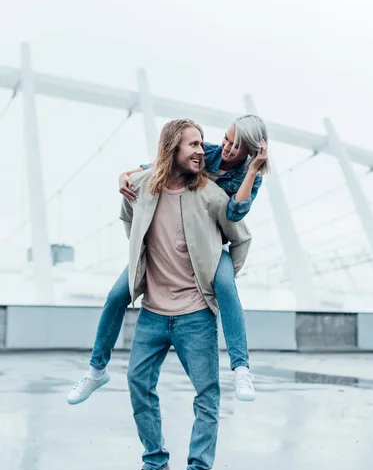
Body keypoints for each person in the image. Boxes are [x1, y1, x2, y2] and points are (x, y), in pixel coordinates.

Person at [67, 114, 268, 406]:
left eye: (235, 146)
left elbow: (235, 214)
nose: (225, 147)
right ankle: (96, 370)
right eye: (226, 138)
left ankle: (241, 368)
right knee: (115, 296)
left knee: (226, 287)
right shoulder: (207, 151)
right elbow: (162, 164)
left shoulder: (251, 177)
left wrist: (251, 171)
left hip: (211, 247)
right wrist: (126, 173)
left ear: (249, 150)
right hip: (173, 241)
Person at [118, 119, 252, 470]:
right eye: (193, 144)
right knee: (137, 384)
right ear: (171, 149)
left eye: (201, 144)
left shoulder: (209, 193)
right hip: (153, 312)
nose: (201, 150)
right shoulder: (141, 188)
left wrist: (218, 277)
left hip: (195, 313)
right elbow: (128, 219)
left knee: (206, 394)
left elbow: (240, 237)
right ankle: (156, 463)